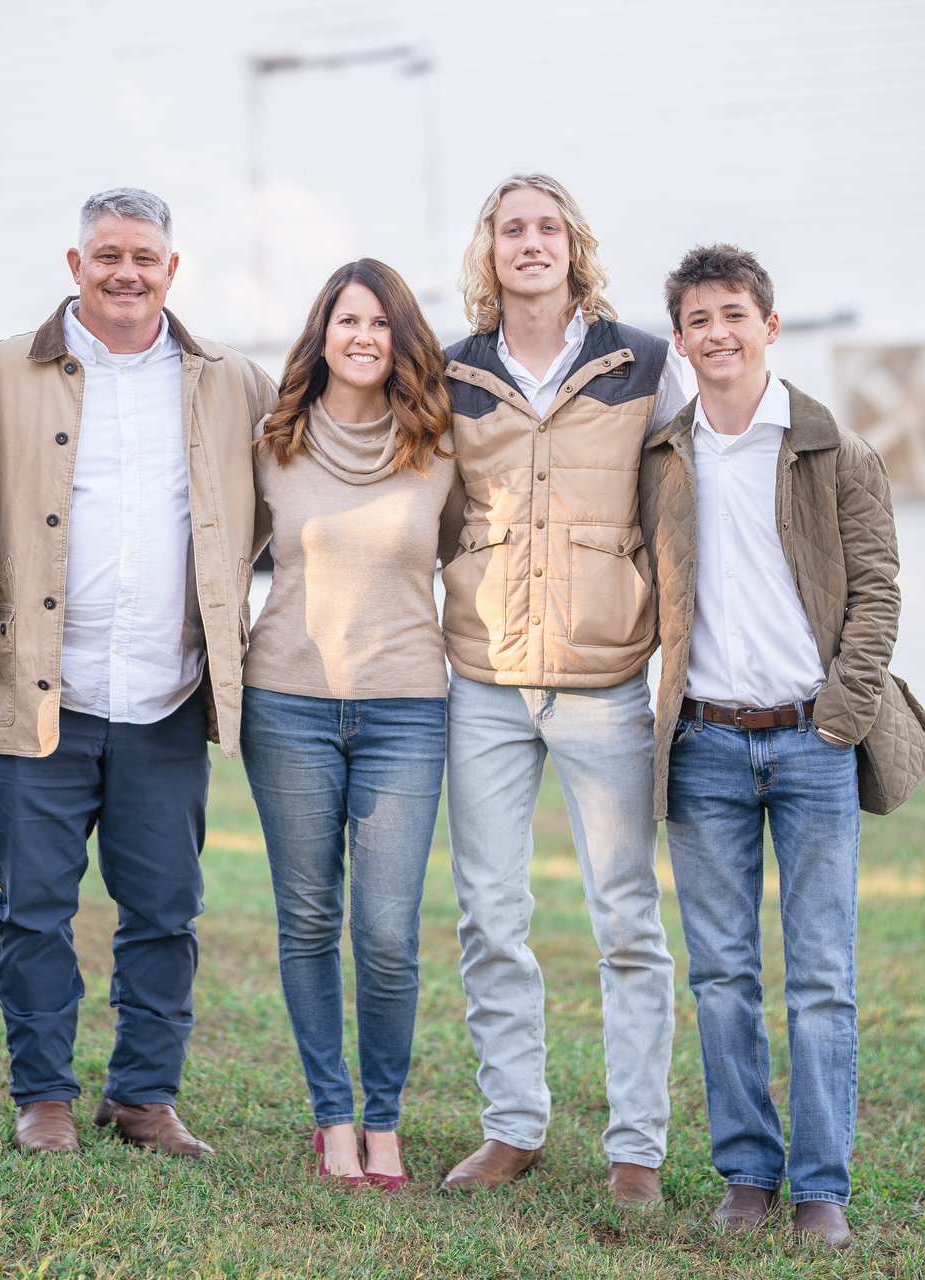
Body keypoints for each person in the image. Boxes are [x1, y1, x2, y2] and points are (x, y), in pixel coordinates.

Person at [0, 187, 275, 1160]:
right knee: (34, 909)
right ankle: (45, 1097)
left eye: (144, 256)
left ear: (170, 270)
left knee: (164, 910)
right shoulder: (3, 372)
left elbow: (268, 503)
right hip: (40, 695)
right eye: (106, 254)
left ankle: (143, 1095)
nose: (125, 272)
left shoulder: (232, 380)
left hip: (165, 698)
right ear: (75, 265)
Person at [639, 244, 903, 1249]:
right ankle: (745, 1172)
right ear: (680, 338)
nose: (716, 332)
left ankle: (818, 1186)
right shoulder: (664, 455)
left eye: (732, 314)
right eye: (697, 318)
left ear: (768, 325)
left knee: (823, 975)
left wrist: (838, 711)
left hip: (810, 742)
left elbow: (877, 588)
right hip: (702, 742)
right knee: (719, 974)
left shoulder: (834, 447)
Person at [438, 173, 683, 1205]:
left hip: (602, 678)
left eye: (545, 226)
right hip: (483, 677)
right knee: (487, 913)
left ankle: (635, 1146)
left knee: (624, 917)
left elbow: (683, 498)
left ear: (572, 245)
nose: (528, 242)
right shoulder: (450, 370)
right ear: (488, 250)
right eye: (509, 228)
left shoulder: (644, 363)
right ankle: (513, 1124)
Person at [240, 259, 461, 1188]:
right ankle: (332, 1117)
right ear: (321, 333)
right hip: (286, 700)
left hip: (408, 708)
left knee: (387, 929)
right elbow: (221, 550)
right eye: (346, 320)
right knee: (307, 916)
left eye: (380, 323)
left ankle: (386, 1119)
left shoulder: (445, 446)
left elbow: (464, 555)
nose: (363, 337)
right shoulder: (271, 443)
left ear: (401, 339)